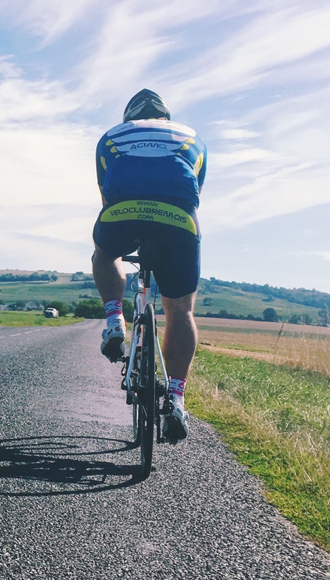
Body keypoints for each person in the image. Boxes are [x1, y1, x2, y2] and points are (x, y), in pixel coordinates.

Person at [91, 89, 207, 441]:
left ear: (130, 116)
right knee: (181, 310)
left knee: (105, 254)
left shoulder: (111, 136)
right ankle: (175, 397)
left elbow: (106, 194)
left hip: (121, 213)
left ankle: (114, 320)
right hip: (178, 219)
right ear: (166, 117)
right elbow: (195, 194)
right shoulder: (192, 137)